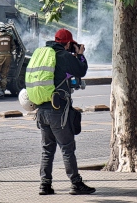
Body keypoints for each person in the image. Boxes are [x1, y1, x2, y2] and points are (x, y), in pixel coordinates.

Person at [35, 28, 95, 195]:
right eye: (71, 44)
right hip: (57, 111)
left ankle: (44, 185)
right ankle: (76, 184)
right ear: (68, 43)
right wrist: (80, 54)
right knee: (67, 147)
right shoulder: (63, 56)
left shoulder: (45, 55)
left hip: (41, 109)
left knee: (47, 149)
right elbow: (81, 70)